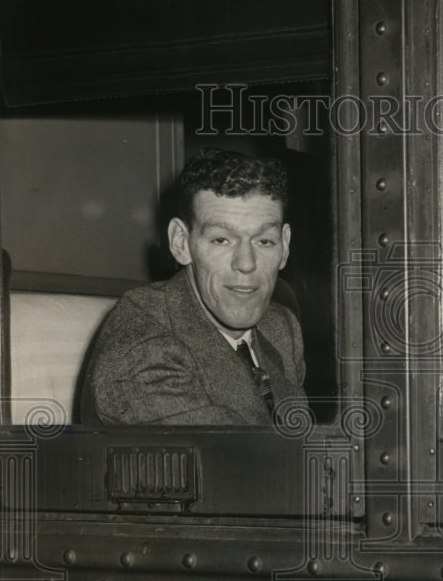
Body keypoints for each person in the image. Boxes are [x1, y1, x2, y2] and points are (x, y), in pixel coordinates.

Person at [81, 148, 306, 425]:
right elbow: (248, 465)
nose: (246, 264)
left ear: (284, 246)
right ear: (181, 243)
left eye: (264, 241)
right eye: (221, 240)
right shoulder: (143, 353)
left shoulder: (281, 327)